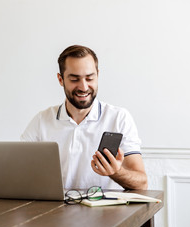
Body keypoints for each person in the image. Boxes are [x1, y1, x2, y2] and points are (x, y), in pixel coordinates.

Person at [21, 45, 147, 190]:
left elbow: (142, 183)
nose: (84, 87)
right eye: (75, 79)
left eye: (89, 78)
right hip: (55, 210)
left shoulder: (119, 118)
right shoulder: (41, 121)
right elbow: (19, 172)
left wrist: (116, 172)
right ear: (60, 79)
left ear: (98, 75)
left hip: (106, 211)